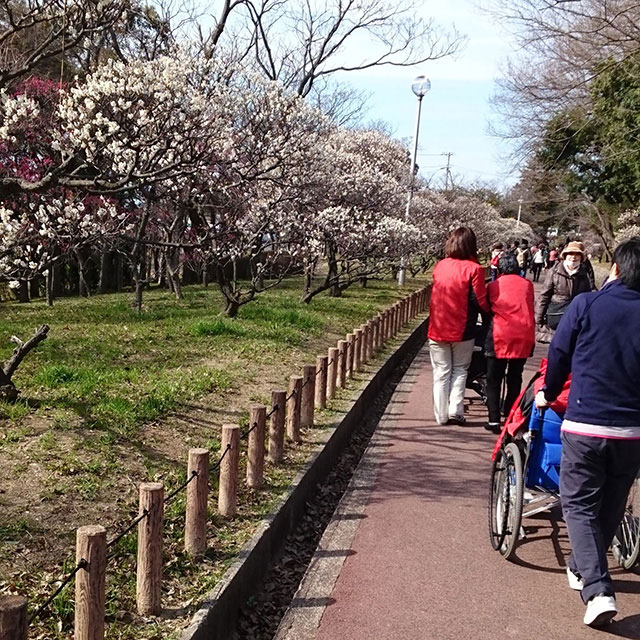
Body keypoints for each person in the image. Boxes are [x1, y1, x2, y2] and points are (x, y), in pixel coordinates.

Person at [535, 237, 640, 627]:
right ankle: (582, 568)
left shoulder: (587, 304)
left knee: (577, 504)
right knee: (611, 503)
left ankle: (597, 590)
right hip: (632, 431)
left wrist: (548, 391)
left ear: (614, 268)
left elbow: (559, 355)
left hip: (586, 422)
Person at [428, 227, 489, 426]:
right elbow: (480, 301)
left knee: (441, 372)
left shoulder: (440, 266)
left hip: (437, 327)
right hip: (463, 328)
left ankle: (440, 415)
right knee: (460, 369)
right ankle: (455, 410)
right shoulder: (474, 269)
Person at [483, 253, 535, 433]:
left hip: (500, 334)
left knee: (493, 379)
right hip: (523, 335)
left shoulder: (493, 285)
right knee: (515, 377)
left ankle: (493, 420)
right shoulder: (528, 285)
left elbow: (487, 308)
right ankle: (511, 415)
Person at [535, 241, 593, 332]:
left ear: (581, 257)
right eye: (570, 253)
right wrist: (538, 319)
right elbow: (544, 295)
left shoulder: (583, 274)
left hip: (575, 318)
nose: (573, 257)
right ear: (565, 255)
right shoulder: (555, 271)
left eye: (577, 254)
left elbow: (587, 298)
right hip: (556, 315)